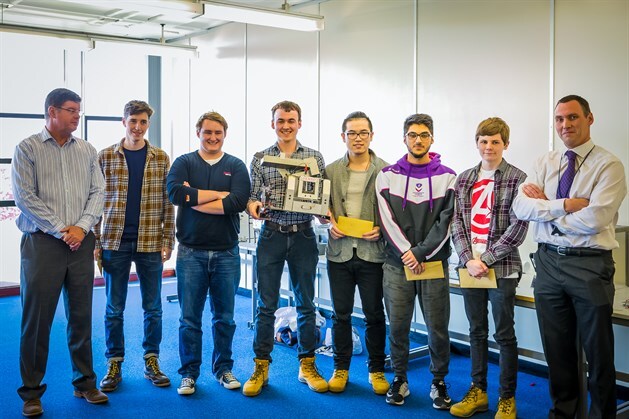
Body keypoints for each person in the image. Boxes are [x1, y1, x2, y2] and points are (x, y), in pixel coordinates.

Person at [513, 95, 626, 419]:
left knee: (598, 352)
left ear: (590, 119)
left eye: (573, 117)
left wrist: (544, 210)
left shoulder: (609, 165)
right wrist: (562, 204)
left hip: (589, 265)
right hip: (547, 263)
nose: (566, 125)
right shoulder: (544, 162)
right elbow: (520, 208)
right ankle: (564, 412)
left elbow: (596, 219)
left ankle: (601, 415)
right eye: (560, 119)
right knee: (558, 351)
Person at [12, 88, 107, 417]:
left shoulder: (87, 150)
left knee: (81, 317)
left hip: (81, 244)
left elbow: (99, 192)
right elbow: (25, 197)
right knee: (36, 321)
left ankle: (85, 384)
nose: (76, 116)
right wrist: (62, 230)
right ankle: (32, 392)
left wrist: (80, 227)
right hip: (43, 244)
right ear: (52, 112)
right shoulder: (28, 149)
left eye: (78, 111)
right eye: (70, 111)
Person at [243, 100, 328, 397]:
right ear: (273, 124)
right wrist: (255, 208)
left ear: (299, 123)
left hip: (304, 234)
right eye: (280, 121)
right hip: (271, 234)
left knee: (306, 303)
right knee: (265, 305)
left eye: (291, 120)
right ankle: (261, 366)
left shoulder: (314, 157)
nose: (286, 125)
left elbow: (321, 198)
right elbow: (251, 197)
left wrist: (322, 211)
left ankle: (307, 364)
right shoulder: (260, 158)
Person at [167, 111, 250, 396]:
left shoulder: (236, 165)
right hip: (190, 253)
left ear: (224, 134)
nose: (213, 137)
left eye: (218, 133)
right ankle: (189, 373)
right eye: (207, 132)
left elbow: (239, 200)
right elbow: (176, 194)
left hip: (226, 253)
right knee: (189, 318)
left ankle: (223, 369)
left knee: (224, 318)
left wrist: (197, 197)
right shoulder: (184, 162)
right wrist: (219, 195)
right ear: (198, 133)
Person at [449, 117, 528, 419]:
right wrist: (468, 257)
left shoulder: (518, 178)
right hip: (469, 266)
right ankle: (478, 391)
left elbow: (519, 227)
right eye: (484, 141)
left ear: (505, 144)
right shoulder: (465, 178)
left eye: (495, 141)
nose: (489, 146)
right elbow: (457, 221)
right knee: (476, 331)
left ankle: (506, 397)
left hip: (503, 267)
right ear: (477, 143)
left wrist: (487, 259)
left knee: (504, 334)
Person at [375, 113, 456, 408]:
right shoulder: (387, 175)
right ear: (404, 138)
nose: (418, 140)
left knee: (437, 326)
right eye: (412, 135)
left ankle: (439, 381)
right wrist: (407, 253)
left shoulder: (448, 177)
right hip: (397, 264)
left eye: (423, 134)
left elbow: (447, 221)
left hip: (433, 263)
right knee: (397, 325)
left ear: (432, 138)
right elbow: (386, 219)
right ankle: (399, 378)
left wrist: (420, 253)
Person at [94, 100, 175, 392]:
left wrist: (169, 239)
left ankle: (151, 361)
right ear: (124, 122)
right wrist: (95, 241)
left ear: (148, 124)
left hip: (151, 241)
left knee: (152, 307)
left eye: (143, 123)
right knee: (113, 308)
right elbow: (94, 201)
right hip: (114, 240)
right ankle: (114, 363)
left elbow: (169, 203)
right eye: (133, 122)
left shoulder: (161, 157)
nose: (138, 128)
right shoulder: (105, 156)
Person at [323, 111, 389, 395]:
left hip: (372, 253)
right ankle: (341, 369)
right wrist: (327, 222)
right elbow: (320, 207)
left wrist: (383, 230)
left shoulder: (386, 171)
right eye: (352, 133)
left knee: (375, 314)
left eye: (363, 133)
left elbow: (394, 213)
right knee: (340, 315)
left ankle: (375, 369)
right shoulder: (331, 170)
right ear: (343, 137)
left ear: (371, 136)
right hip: (339, 253)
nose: (358, 138)